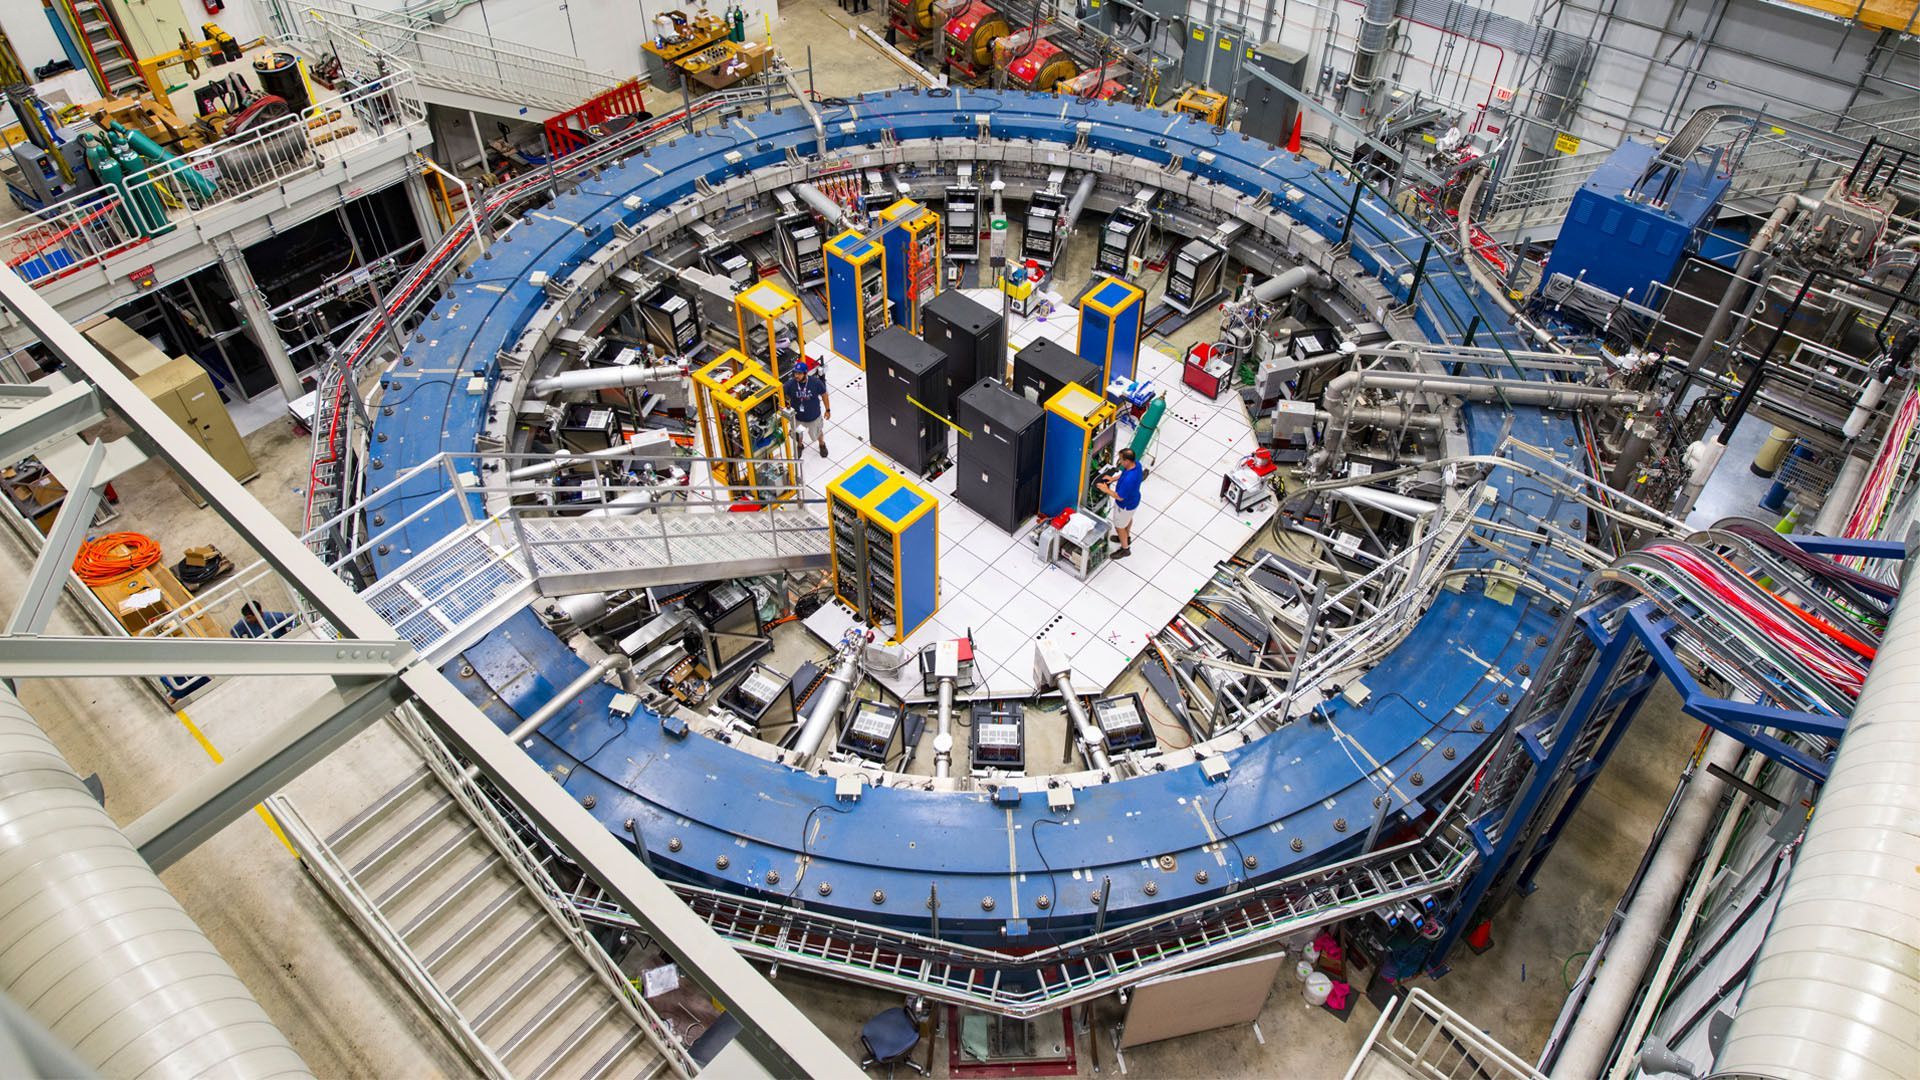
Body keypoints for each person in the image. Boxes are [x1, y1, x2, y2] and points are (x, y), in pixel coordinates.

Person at [1098, 448, 1145, 558]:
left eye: (1121, 459)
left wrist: (1106, 490)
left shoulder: (1129, 479)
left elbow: (1119, 497)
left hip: (1125, 505)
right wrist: (1113, 479)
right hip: (1133, 501)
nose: (1120, 461)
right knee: (1127, 519)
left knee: (1119, 527)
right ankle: (1125, 537)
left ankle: (1125, 549)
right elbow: (1124, 473)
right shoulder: (1136, 465)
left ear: (1127, 461)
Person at [784, 355, 832, 458]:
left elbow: (824, 395)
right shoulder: (790, 384)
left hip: (813, 417)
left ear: (805, 373)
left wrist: (828, 410)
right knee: (798, 434)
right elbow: (781, 393)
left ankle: (822, 444)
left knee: (817, 433)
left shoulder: (815, 383)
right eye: (795, 373)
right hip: (798, 418)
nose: (796, 376)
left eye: (799, 373)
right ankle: (800, 446)